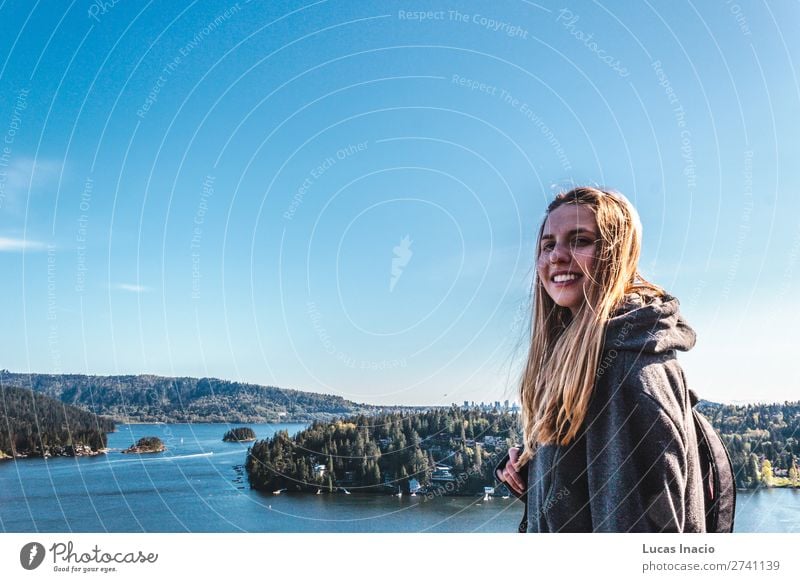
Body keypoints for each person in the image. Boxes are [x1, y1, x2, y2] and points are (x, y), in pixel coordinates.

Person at [495, 186, 705, 532]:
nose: (557, 256)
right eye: (548, 245)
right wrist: (536, 472)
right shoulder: (581, 359)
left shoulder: (626, 374)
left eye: (580, 240)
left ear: (616, 254)